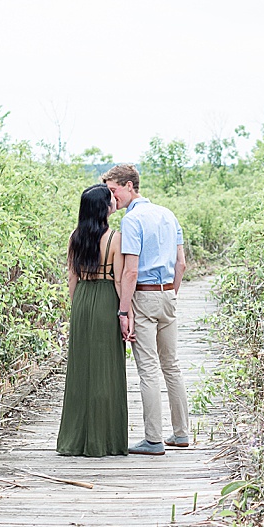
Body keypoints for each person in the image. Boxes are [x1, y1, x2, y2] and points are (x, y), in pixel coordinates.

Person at [101, 164, 188, 456]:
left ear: (129, 185)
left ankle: (153, 439)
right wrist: (170, 294)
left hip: (144, 296)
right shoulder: (168, 214)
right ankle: (181, 433)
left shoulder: (132, 220)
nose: (111, 198)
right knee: (172, 366)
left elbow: (130, 271)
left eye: (113, 190)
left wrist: (123, 312)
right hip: (168, 294)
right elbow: (181, 264)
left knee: (148, 369)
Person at [56, 184, 130, 457]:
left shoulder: (75, 237)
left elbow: (71, 278)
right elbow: (120, 280)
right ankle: (105, 440)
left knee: (81, 369)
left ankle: (74, 440)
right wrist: (125, 313)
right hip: (106, 299)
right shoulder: (115, 239)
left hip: (82, 300)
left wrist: (77, 307)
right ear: (104, 208)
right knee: (106, 369)